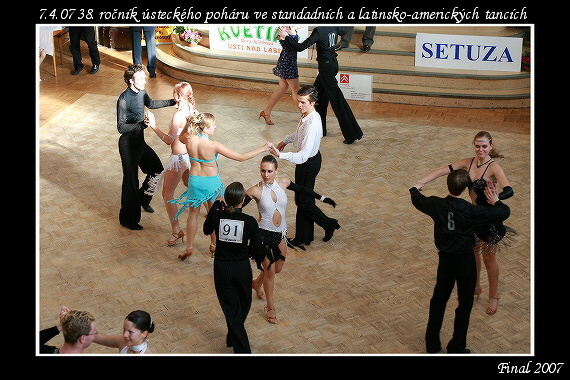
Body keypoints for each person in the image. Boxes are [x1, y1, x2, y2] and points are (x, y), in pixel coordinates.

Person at [410, 169, 510, 353]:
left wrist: (416, 188)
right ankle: (457, 347)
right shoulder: (471, 210)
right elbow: (503, 213)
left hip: (445, 260)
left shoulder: (435, 204)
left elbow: (416, 198)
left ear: (448, 185)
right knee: (465, 303)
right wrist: (496, 201)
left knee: (439, 300)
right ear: (465, 189)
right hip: (465, 260)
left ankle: (432, 345)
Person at [415, 131, 514, 315]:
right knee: (473, 250)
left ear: (490, 146)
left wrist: (496, 198)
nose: (481, 149)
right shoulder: (467, 162)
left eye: (484, 146)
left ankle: (494, 295)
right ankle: (475, 285)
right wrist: (421, 182)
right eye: (477, 146)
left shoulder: (494, 167)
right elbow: (443, 170)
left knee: (489, 259)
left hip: (489, 219)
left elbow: (509, 190)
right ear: (474, 146)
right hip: (473, 216)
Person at [245, 155, 337, 324]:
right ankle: (270, 307)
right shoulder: (255, 190)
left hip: (280, 234)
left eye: (269, 171)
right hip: (263, 236)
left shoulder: (284, 183)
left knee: (277, 269)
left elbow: (303, 190)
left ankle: (257, 283)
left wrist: (322, 198)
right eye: (263, 171)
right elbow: (237, 205)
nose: (266, 175)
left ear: (276, 171)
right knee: (270, 272)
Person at [169, 113, 272, 260]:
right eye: (213, 125)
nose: (216, 127)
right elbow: (240, 157)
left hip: (195, 181)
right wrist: (262, 148)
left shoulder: (189, 138)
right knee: (214, 214)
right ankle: (214, 246)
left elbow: (180, 137)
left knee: (193, 214)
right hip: (212, 183)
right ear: (205, 128)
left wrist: (187, 122)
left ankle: (189, 246)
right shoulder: (213, 145)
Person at [269, 85, 340, 248]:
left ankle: (328, 224)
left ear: (313, 102)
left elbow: (302, 156)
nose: (299, 105)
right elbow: (298, 134)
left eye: (303, 102)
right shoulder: (306, 116)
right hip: (307, 162)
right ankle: (305, 236)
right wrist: (286, 140)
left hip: (308, 163)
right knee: (303, 200)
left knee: (303, 202)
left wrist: (281, 155)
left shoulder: (312, 124)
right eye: (298, 101)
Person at [204, 182, 263, 353]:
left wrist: (214, 210)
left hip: (223, 268)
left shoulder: (218, 217)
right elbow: (257, 249)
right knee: (239, 307)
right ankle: (244, 351)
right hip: (241, 268)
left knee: (237, 308)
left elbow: (207, 230)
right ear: (243, 200)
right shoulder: (250, 222)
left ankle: (232, 335)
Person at [277, 26, 363, 144]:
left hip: (326, 68)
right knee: (317, 96)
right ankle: (320, 130)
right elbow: (343, 30)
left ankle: (352, 134)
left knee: (337, 101)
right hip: (331, 66)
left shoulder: (319, 30)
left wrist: (286, 36)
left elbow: (300, 47)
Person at [117, 64, 176, 230]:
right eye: (141, 78)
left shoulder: (141, 92)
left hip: (139, 143)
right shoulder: (123, 99)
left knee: (156, 169)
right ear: (130, 80)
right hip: (128, 146)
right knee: (131, 182)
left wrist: (173, 101)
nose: (144, 81)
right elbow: (121, 128)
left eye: (144, 78)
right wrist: (142, 125)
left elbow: (151, 103)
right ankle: (128, 220)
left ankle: (143, 199)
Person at [146, 82, 197, 246]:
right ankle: (210, 209)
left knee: (167, 194)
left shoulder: (178, 116)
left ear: (179, 95)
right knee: (191, 186)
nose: (173, 96)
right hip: (189, 157)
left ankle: (177, 230)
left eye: (175, 93)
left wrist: (153, 126)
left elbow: (169, 140)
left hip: (179, 159)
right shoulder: (192, 109)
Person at [259, 26, 303, 125]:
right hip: (288, 63)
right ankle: (305, 115)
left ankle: (266, 111)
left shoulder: (283, 28)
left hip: (284, 61)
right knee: (296, 90)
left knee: (282, 88)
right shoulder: (287, 27)